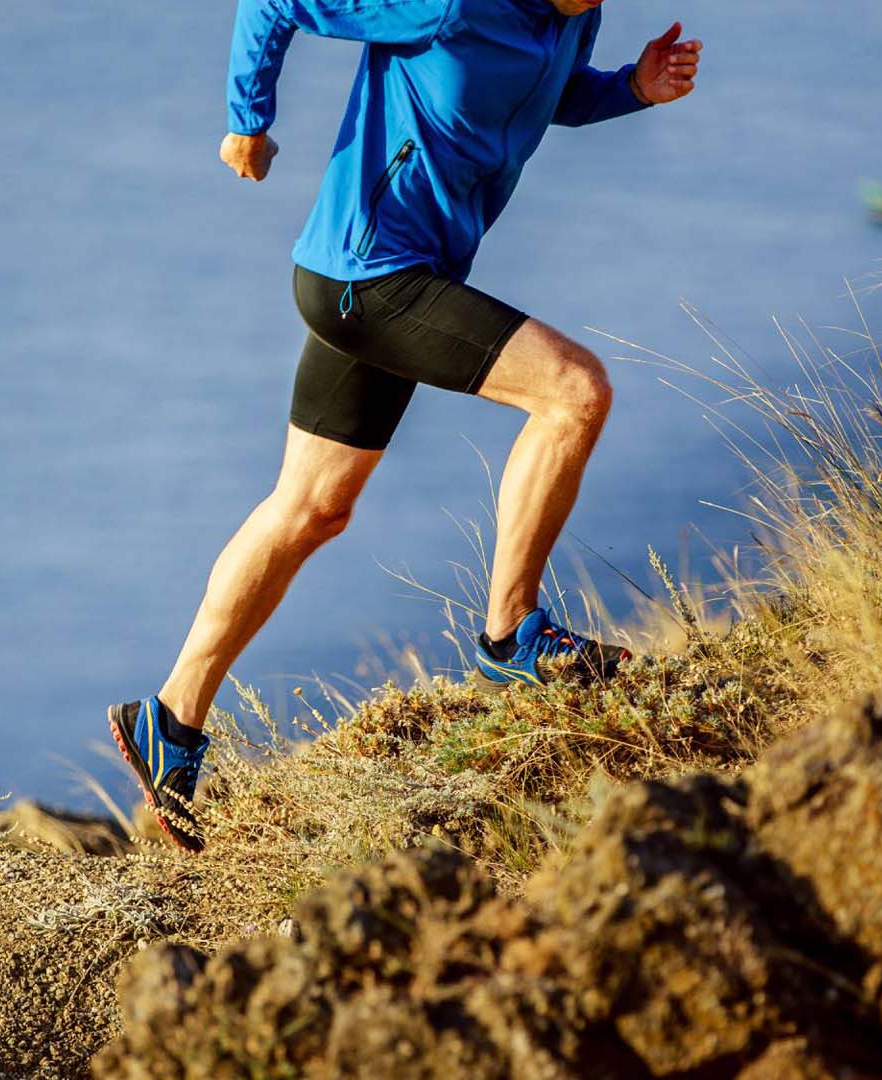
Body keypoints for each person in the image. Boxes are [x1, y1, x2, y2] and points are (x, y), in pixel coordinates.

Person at [107, 0, 701, 852]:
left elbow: (544, 92)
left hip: (400, 275)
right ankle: (512, 634)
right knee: (574, 392)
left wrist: (630, 89)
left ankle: (169, 720)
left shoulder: (576, 17)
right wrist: (248, 122)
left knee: (311, 509)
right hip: (369, 277)